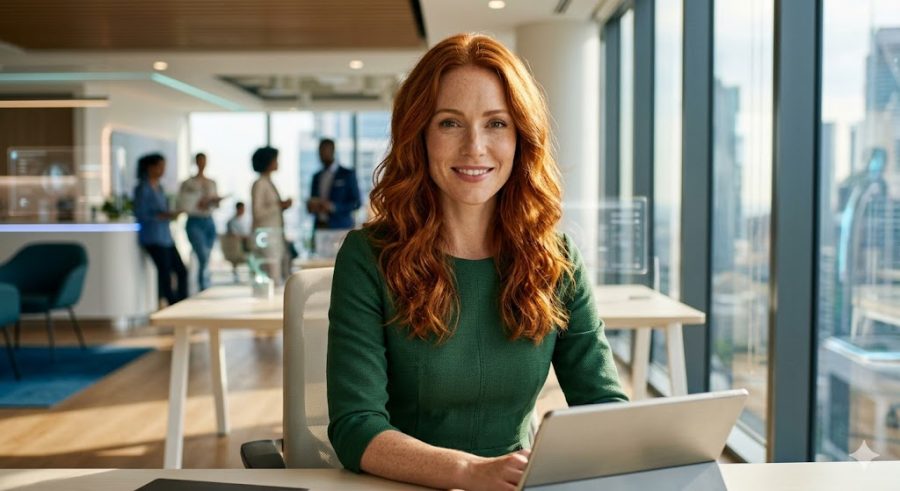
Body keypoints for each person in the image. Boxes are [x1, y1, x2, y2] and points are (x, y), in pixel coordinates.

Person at [326, 33, 627, 491]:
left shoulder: (556, 258)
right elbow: (356, 426)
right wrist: (469, 471)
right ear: (419, 134)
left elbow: (603, 401)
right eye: (450, 123)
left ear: (521, 137)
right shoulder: (369, 257)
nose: (475, 148)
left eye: (496, 124)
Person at [133, 153, 187, 306]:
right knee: (165, 273)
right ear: (150, 167)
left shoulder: (160, 188)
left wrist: (170, 215)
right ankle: (172, 304)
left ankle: (181, 302)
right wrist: (162, 215)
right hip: (153, 237)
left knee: (181, 271)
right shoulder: (143, 188)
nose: (163, 170)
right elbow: (141, 213)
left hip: (166, 237)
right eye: (160, 166)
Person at [177, 152, 221, 291]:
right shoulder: (188, 183)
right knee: (202, 254)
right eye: (199, 160)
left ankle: (204, 285)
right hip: (194, 220)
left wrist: (213, 201)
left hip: (209, 220)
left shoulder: (212, 182)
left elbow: (216, 206)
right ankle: (203, 285)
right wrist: (197, 203)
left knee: (207, 254)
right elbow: (182, 203)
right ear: (195, 162)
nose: (202, 163)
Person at [250, 146, 292, 284]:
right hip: (265, 236)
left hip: (272, 235)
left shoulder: (268, 182)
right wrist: (278, 206)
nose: (277, 163)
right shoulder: (260, 184)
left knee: (276, 274)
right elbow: (258, 212)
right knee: (272, 276)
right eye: (275, 159)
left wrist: (280, 207)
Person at [307, 138, 361, 230]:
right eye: (319, 151)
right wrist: (312, 205)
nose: (321, 154)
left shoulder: (347, 174)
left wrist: (333, 207)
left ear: (332, 151)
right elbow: (313, 199)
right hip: (320, 226)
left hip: (340, 227)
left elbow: (357, 203)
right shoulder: (316, 176)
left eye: (324, 150)